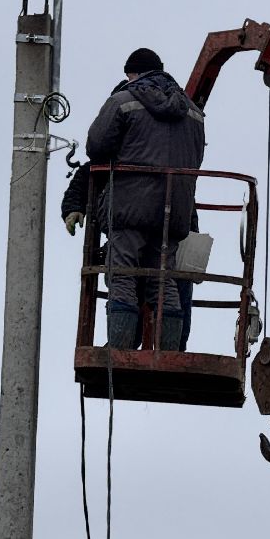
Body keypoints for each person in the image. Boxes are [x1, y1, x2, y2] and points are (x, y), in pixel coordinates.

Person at [85, 47, 205, 350]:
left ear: (133, 73)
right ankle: (168, 353)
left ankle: (119, 350)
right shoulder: (193, 112)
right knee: (163, 278)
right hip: (174, 210)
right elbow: (196, 159)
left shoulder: (122, 101)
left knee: (123, 274)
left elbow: (96, 147)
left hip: (130, 207)